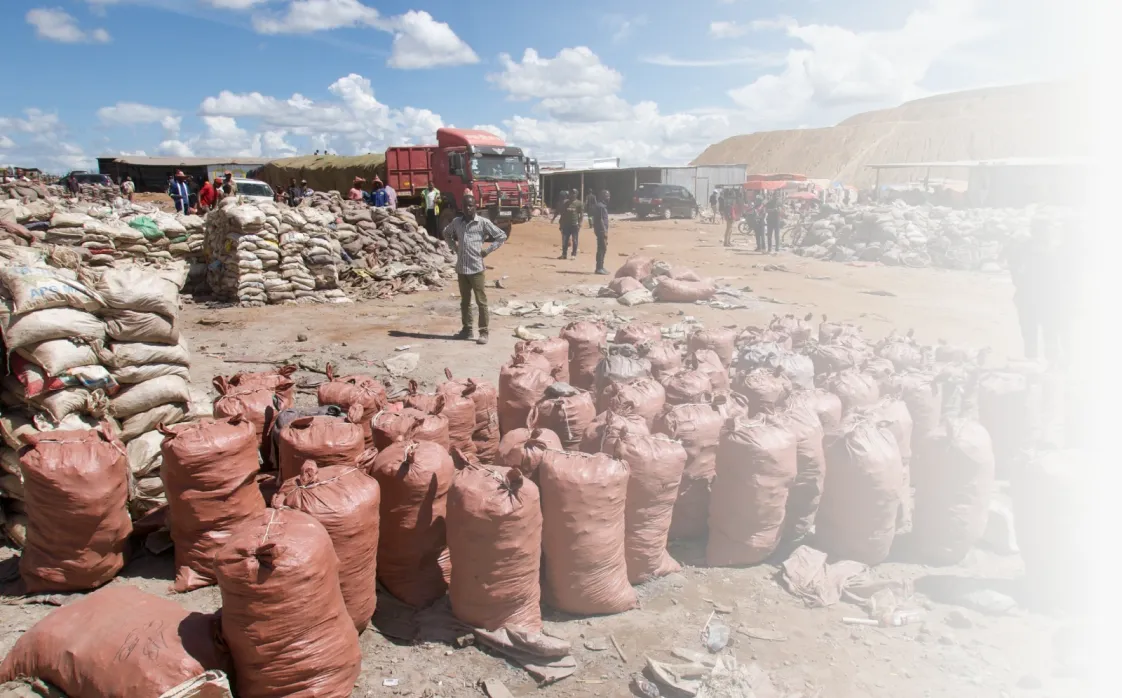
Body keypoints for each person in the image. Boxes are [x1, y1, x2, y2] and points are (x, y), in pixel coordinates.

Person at [443, 191, 507, 345]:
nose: (468, 209)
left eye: (471, 206)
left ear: (475, 207)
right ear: (462, 208)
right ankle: (467, 329)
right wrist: (454, 247)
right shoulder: (457, 222)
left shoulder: (483, 223)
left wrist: (487, 250)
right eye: (465, 206)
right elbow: (446, 233)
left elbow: (501, 236)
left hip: (476, 269)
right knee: (465, 302)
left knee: (481, 302)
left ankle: (484, 332)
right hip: (462, 269)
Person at [559, 189, 583, 260]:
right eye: (571, 193)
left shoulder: (579, 203)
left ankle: (573, 254)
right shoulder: (566, 203)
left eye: (574, 193)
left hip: (574, 224)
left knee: (575, 240)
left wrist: (579, 224)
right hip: (566, 225)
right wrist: (561, 224)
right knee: (565, 240)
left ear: (576, 194)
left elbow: (581, 215)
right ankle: (564, 254)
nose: (572, 195)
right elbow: (563, 214)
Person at [592, 189, 611, 274]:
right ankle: (599, 268)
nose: (608, 198)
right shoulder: (600, 206)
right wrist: (604, 231)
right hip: (601, 231)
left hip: (601, 230)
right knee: (601, 248)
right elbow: (600, 219)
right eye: (607, 196)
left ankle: (601, 267)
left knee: (603, 248)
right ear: (602, 197)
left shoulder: (602, 206)